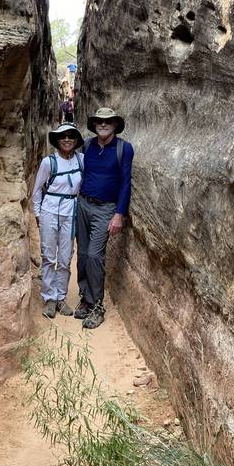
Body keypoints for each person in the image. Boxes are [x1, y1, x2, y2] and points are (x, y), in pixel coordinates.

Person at [74, 107, 134, 330]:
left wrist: (119, 214)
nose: (103, 124)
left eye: (108, 121)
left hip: (105, 209)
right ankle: (86, 299)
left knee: (94, 255)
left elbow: (126, 182)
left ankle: (97, 306)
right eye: (99, 121)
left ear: (115, 125)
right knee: (82, 253)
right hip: (83, 204)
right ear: (94, 124)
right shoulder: (88, 145)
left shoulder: (123, 148)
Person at [32, 123, 84, 319]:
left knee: (65, 256)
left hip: (71, 211)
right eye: (63, 136)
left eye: (71, 136)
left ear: (77, 140)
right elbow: (37, 190)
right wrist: (38, 214)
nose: (67, 139)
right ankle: (49, 298)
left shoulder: (81, 160)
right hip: (50, 211)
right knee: (48, 256)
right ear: (57, 139)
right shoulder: (48, 162)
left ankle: (61, 297)